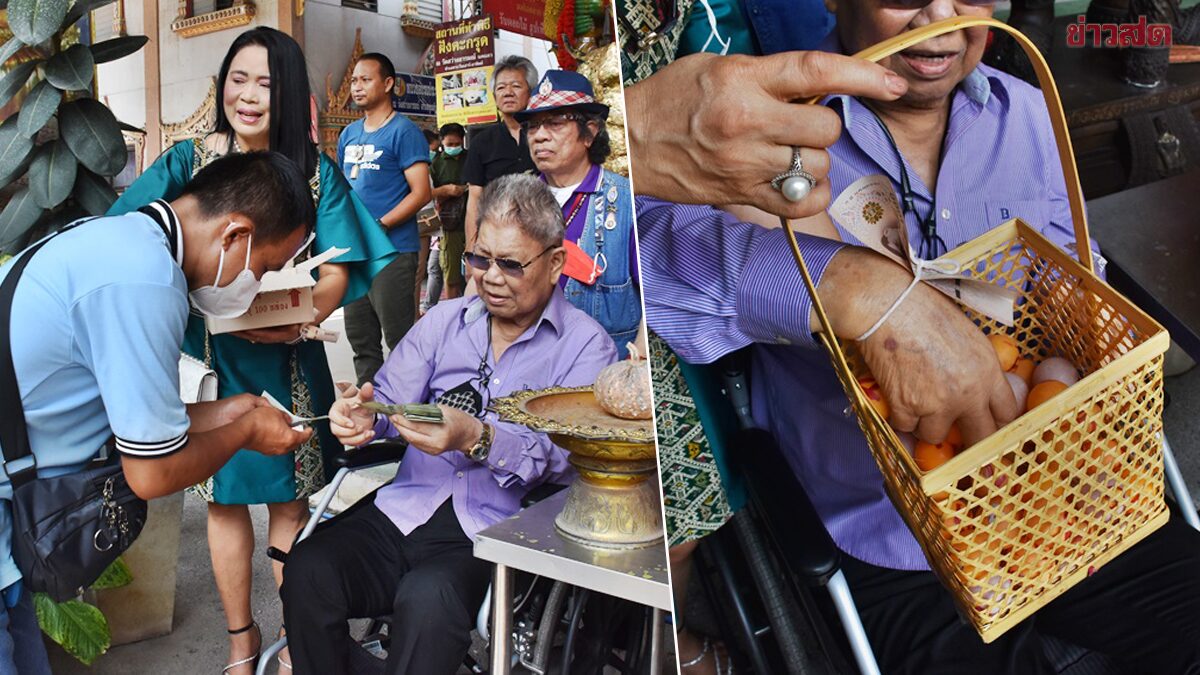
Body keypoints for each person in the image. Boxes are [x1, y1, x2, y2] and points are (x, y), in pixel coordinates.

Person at [639, 0, 1200, 672]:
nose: (938, 12)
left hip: (1061, 496)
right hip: (894, 539)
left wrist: (1078, 335)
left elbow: (1070, 262)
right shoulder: (772, 133)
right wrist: (857, 292)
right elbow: (651, 258)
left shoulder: (1023, 112)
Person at [108, 27, 398, 675]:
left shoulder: (314, 172)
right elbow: (128, 234)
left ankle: (298, 632)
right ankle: (241, 642)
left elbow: (339, 266)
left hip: (291, 362)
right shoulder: (188, 162)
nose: (247, 95)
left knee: (292, 504)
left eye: (265, 83)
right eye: (237, 78)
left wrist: (296, 313)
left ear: (289, 92)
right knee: (223, 500)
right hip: (211, 366)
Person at [279, 174, 618, 674]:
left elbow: (566, 460)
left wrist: (479, 438)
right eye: (479, 259)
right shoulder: (444, 322)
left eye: (511, 264)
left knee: (428, 599)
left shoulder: (587, 348)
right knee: (308, 569)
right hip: (405, 508)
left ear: (554, 263)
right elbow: (391, 404)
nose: (490, 277)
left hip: (497, 527)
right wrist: (362, 415)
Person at [0, 152, 316, 675]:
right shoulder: (145, 279)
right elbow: (151, 470)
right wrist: (245, 431)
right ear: (234, 235)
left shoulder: (118, 239)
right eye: (263, 269)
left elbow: (137, 419)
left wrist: (229, 411)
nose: (256, 286)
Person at [514, 70, 641, 357]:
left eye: (555, 123)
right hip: (528, 357)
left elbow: (654, 299)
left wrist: (638, 361)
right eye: (532, 127)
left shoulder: (624, 202)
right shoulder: (515, 201)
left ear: (590, 133)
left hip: (605, 363)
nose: (540, 136)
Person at [339, 52, 433, 384]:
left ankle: (408, 418)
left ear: (388, 83)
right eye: (354, 81)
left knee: (401, 342)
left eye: (366, 79)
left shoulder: (403, 131)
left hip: (392, 251)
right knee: (362, 343)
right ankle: (373, 421)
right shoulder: (348, 134)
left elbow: (421, 192)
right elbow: (344, 192)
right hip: (356, 254)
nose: (357, 87)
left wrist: (380, 227)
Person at [462, 55, 539, 244]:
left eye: (516, 86)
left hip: (542, 233)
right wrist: (472, 249)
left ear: (532, 92)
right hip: (497, 238)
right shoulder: (482, 142)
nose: (508, 92)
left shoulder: (545, 135)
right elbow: (474, 201)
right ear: (494, 96)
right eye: (501, 88)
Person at [432, 123, 469, 300]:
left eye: (456, 144)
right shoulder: (436, 164)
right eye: (449, 144)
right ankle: (452, 311)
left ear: (463, 140)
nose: (453, 147)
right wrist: (446, 190)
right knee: (451, 272)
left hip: (473, 220)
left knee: (475, 270)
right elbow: (425, 192)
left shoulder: (471, 158)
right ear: (442, 142)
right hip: (449, 223)